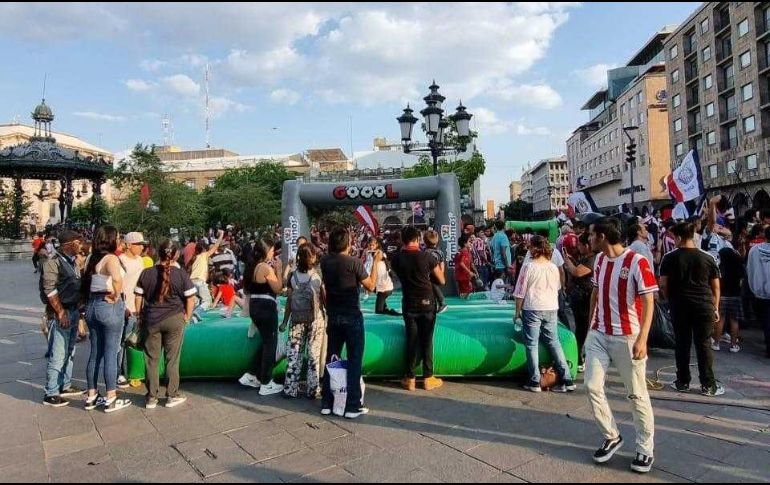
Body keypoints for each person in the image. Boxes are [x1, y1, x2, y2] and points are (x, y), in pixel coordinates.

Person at [585, 217, 657, 474]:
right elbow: (595, 294)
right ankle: (611, 435)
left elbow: (649, 301)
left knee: (636, 394)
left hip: (627, 336)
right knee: (591, 385)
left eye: (591, 234)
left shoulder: (637, 261)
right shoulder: (599, 260)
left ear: (602, 236)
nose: (588, 239)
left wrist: (643, 338)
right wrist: (589, 328)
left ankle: (645, 448)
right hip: (598, 334)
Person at [320, 227, 381, 419]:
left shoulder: (325, 262)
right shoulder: (354, 262)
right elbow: (371, 286)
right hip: (352, 315)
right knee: (354, 360)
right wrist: (376, 263)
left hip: (334, 315)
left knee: (332, 357)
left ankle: (327, 401)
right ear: (348, 243)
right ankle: (353, 405)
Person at [660, 222, 724, 397]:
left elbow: (663, 284)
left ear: (679, 237)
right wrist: (715, 307)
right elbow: (716, 287)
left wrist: (670, 300)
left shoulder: (669, 258)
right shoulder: (707, 257)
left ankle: (682, 382)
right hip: (704, 306)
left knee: (682, 344)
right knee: (704, 345)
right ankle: (708, 385)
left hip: (679, 306)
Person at [135, 240, 198, 409]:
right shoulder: (181, 274)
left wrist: (139, 316)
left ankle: (151, 397)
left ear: (158, 253)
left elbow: (138, 296)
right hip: (174, 318)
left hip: (151, 319)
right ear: (176, 255)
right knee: (172, 359)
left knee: (151, 359)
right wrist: (187, 316)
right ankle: (172, 394)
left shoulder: (146, 273)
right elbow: (190, 298)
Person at [513, 235, 574, 393]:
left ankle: (534, 381)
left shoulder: (528, 267)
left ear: (534, 248)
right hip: (551, 307)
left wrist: (517, 312)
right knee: (554, 342)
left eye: (530, 247)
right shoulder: (553, 267)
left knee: (531, 344)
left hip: (533, 307)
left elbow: (520, 292)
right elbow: (557, 287)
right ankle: (567, 378)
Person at [391, 226, 447, 392]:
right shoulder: (427, 257)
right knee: (427, 339)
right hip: (427, 301)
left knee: (411, 339)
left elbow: (396, 274)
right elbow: (442, 280)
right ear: (418, 239)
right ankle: (428, 377)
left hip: (409, 301)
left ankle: (410, 378)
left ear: (403, 240)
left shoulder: (397, 259)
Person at [83, 226, 131, 413]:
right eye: (118, 237)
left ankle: (91, 395)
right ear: (111, 239)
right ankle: (111, 397)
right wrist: (116, 295)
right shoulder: (111, 258)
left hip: (92, 305)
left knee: (95, 352)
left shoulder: (91, 258)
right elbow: (117, 278)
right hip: (108, 304)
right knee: (111, 352)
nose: (119, 240)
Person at [40, 230, 86, 407]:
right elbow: (50, 290)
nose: (80, 245)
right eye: (78, 242)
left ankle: (65, 384)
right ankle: (51, 392)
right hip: (61, 313)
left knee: (69, 351)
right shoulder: (53, 262)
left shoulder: (72, 261)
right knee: (58, 353)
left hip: (73, 310)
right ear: (69, 244)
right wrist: (60, 312)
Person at [239, 239, 285, 396]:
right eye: (271, 250)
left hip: (256, 306)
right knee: (271, 344)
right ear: (266, 251)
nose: (273, 253)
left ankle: (252, 375)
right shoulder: (265, 267)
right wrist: (279, 270)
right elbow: (278, 288)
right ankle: (266, 382)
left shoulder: (253, 266)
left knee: (266, 343)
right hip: (266, 307)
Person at [280, 244, 327, 399]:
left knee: (294, 353)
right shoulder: (317, 275)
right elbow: (324, 298)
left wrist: (285, 321)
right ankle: (313, 389)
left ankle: (290, 388)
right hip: (315, 318)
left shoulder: (292, 277)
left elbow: (289, 301)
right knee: (313, 354)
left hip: (296, 318)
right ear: (311, 257)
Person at [563, 232, 598, 373]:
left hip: (585, 298)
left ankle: (581, 358)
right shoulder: (587, 258)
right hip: (581, 297)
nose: (578, 247)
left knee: (583, 329)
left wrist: (567, 260)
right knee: (581, 328)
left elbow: (577, 272)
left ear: (586, 246)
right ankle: (581, 357)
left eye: (580, 245)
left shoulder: (592, 260)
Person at [117, 232, 148, 389]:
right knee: (122, 341)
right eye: (139, 244)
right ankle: (120, 372)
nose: (142, 247)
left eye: (143, 244)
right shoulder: (120, 261)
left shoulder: (140, 260)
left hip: (139, 308)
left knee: (135, 340)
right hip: (126, 308)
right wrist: (123, 307)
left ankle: (135, 372)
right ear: (128, 245)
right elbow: (117, 287)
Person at [186, 231, 224, 320]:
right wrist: (221, 234)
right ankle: (196, 313)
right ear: (204, 249)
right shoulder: (204, 255)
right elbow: (216, 246)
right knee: (207, 301)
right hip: (199, 281)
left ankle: (191, 316)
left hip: (191, 282)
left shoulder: (194, 258)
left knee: (196, 301)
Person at [713, 246, 744, 353]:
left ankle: (716, 343)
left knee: (720, 320)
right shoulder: (738, 267)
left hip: (722, 295)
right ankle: (733, 345)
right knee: (734, 320)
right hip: (735, 295)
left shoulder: (719, 267)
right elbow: (742, 281)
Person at [747, 224, 770, 358]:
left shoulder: (754, 250)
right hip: (760, 292)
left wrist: (753, 287)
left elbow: (750, 269)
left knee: (766, 320)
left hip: (760, 292)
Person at [368, 238, 399, 316]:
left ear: (377, 245)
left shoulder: (379, 253)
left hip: (383, 286)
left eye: (373, 245)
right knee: (381, 309)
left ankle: (391, 312)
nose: (371, 247)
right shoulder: (372, 253)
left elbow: (382, 258)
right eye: (370, 245)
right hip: (380, 285)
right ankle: (386, 309)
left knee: (378, 311)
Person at [423, 230, 448, 313]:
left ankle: (441, 302)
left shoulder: (425, 252)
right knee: (432, 289)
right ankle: (435, 304)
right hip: (438, 274)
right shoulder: (440, 252)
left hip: (429, 275)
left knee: (431, 288)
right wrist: (441, 274)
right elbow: (442, 264)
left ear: (425, 241)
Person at [454, 234, 476, 298]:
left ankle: (463, 299)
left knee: (464, 292)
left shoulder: (464, 251)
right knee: (466, 292)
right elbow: (461, 263)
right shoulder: (464, 252)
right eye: (469, 241)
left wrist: (475, 271)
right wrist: (469, 272)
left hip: (462, 275)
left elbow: (470, 263)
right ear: (465, 244)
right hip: (463, 276)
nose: (470, 243)